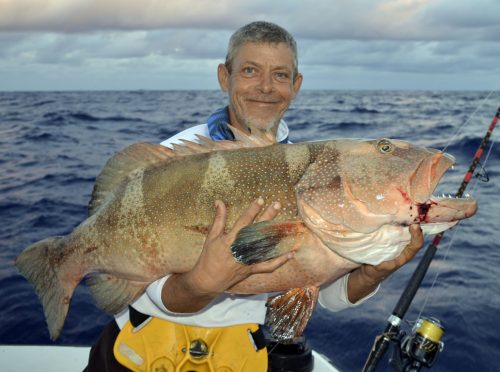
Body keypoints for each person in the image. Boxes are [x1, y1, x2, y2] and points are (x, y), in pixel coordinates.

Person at [85, 21, 424, 371]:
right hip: (141, 350)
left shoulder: (314, 173)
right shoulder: (174, 161)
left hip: (240, 353)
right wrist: (199, 283)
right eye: (250, 71)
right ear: (223, 76)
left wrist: (371, 274)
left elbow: (318, 287)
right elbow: (148, 294)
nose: (265, 87)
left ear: (296, 85)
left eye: (280, 75)